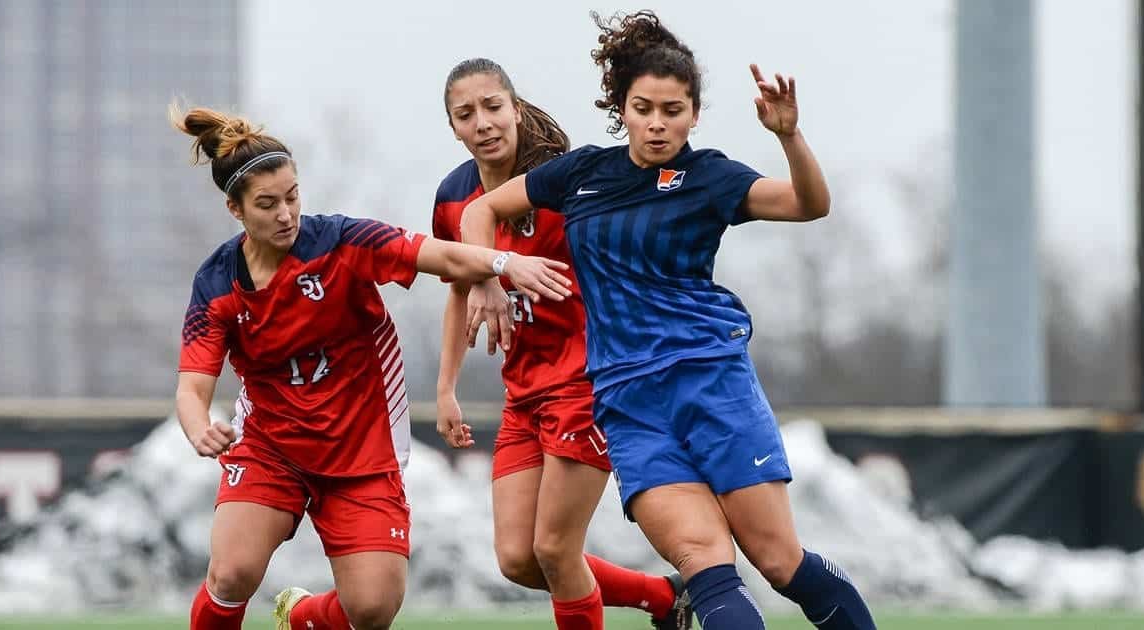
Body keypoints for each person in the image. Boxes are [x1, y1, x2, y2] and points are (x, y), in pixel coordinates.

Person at [459, 11, 878, 630]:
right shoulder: (583, 174)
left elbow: (809, 205)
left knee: (778, 559)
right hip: (628, 403)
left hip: (713, 383)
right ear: (621, 109)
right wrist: (487, 276)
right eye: (644, 107)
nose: (658, 123)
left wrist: (789, 136)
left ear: (695, 114)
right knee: (704, 561)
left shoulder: (710, 177)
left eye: (673, 110)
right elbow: (483, 209)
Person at [171, 105, 571, 630]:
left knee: (373, 607)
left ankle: (301, 618)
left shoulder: (340, 241)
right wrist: (200, 428)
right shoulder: (219, 281)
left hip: (361, 448)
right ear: (236, 210)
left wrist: (501, 263)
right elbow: (191, 388)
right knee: (231, 573)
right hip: (272, 446)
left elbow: (440, 256)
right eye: (267, 205)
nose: (287, 214)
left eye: (292, 197)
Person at [432, 58, 692, 630]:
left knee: (553, 549)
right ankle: (664, 597)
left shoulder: (561, 184)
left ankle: (668, 597)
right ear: (452, 127)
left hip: (584, 382)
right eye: (465, 114)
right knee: (519, 559)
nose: (483, 123)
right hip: (522, 393)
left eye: (494, 106)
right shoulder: (454, 197)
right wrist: (446, 386)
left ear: (517, 109)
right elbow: (457, 286)